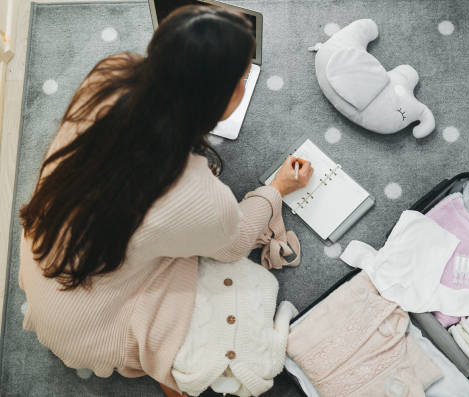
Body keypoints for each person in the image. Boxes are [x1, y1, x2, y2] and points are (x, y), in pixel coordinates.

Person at [18, 5, 312, 397]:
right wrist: (277, 188)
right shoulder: (198, 196)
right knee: (225, 310)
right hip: (93, 324)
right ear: (226, 98)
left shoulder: (109, 74)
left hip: (46, 261)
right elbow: (235, 244)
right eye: (242, 78)